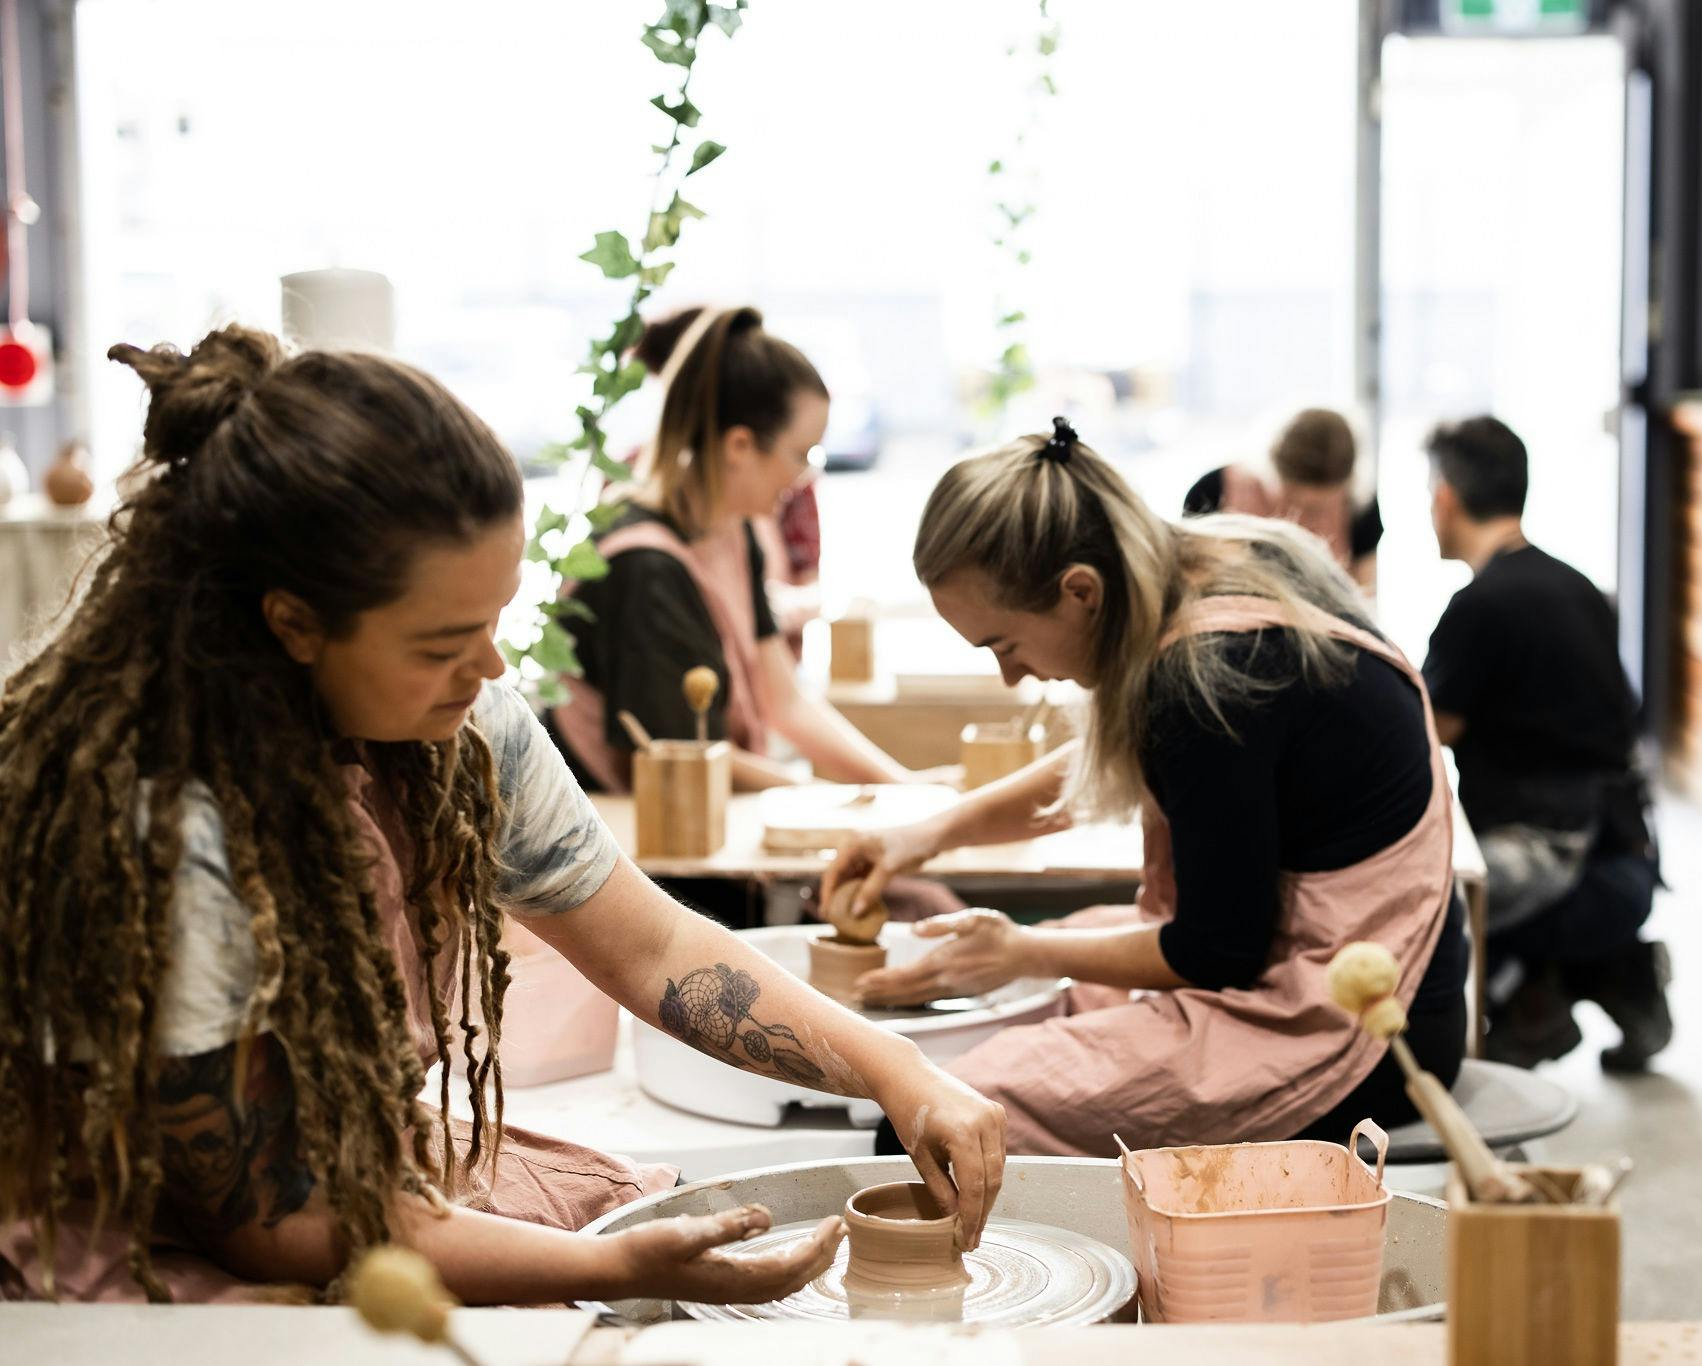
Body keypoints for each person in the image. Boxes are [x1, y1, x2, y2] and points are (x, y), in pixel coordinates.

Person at [0, 326, 1004, 1305]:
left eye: (496, 620)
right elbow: (267, 1216)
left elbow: (649, 945)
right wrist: (612, 1270)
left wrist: (891, 1066)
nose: (488, 670)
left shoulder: (463, 725)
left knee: (638, 1210)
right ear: (294, 625)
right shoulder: (173, 826)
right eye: (442, 643)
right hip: (134, 1220)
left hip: (348, 1157)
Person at [820, 418, 1468, 1157]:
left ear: (1080, 592)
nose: (1011, 675)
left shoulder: (1207, 678)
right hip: (1324, 958)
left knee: (933, 1121)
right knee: (1001, 996)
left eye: (1005, 645)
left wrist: (1021, 950)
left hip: (1363, 1025)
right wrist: (923, 837)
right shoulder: (1217, 556)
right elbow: (1130, 757)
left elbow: (1215, 952)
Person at [547, 305, 929, 796]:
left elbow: (784, 701)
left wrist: (907, 789)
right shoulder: (643, 567)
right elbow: (683, 761)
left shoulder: (733, 530)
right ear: (740, 446)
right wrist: (839, 799)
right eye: (802, 453)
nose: (805, 477)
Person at [1418, 415, 1669, 1073]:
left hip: (1550, 859)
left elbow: (1420, 735)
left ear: (1445, 496)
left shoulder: (1480, 609)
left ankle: (1537, 1000)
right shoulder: (1578, 587)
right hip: (1626, 851)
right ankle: (1612, 972)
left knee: (1414, 904)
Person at [1182, 407, 1383, 591]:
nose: (1300, 516)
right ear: (1267, 469)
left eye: (1317, 508)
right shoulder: (1212, 492)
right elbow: (1189, 582)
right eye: (1292, 500)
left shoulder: (1360, 506)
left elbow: (1362, 594)